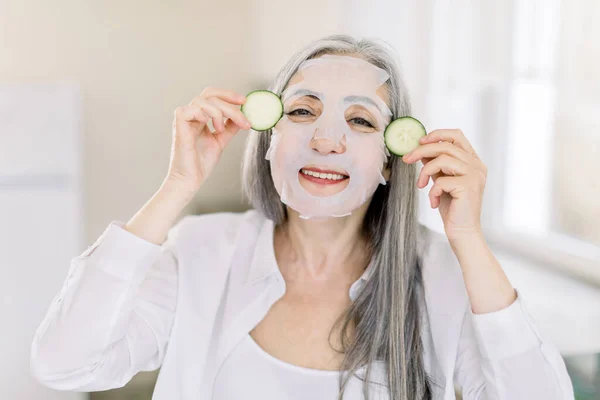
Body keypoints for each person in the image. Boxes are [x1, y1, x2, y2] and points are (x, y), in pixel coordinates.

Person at [30, 35, 574, 400]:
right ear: (269, 139)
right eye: (302, 110)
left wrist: (469, 239)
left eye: (360, 120)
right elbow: (63, 363)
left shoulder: (439, 277)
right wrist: (176, 188)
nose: (326, 138)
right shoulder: (202, 249)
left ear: (391, 158)